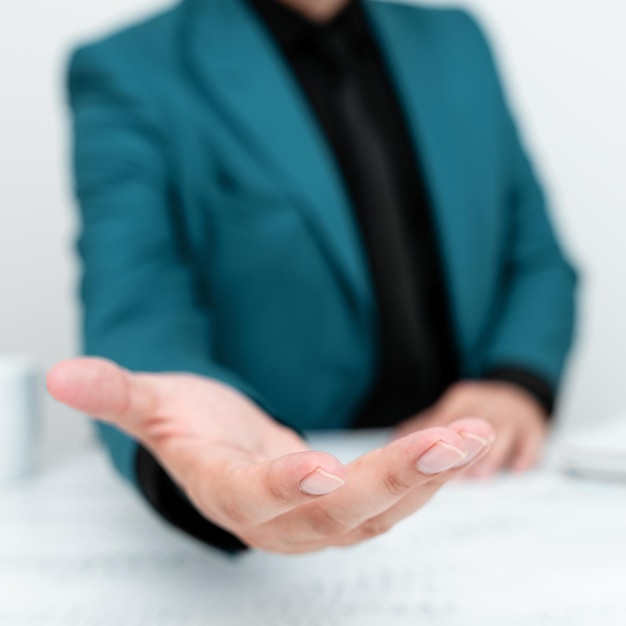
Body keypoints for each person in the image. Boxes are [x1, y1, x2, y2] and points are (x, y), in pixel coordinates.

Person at [47, 0, 577, 554]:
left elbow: (535, 256)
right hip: (284, 484)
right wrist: (202, 453)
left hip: (480, 490)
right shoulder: (131, 68)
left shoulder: (455, 40)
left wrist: (517, 380)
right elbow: (138, 301)